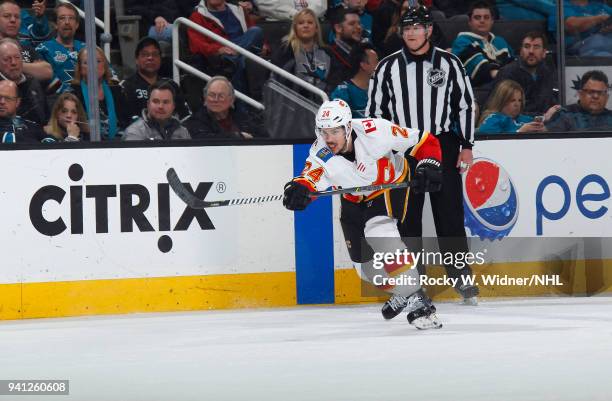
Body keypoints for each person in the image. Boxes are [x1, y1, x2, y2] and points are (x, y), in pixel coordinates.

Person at [283, 99, 444, 330]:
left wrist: (428, 164)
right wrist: (300, 190)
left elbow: (425, 141)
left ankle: (419, 302)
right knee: (367, 272)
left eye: (335, 131)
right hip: (352, 199)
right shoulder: (320, 151)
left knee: (381, 234)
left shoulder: (376, 132)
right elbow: (310, 179)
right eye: (324, 131)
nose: (329, 138)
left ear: (348, 127)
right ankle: (404, 290)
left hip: (386, 187)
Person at [367, 5, 479, 312]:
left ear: (428, 30)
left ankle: (461, 276)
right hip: (404, 148)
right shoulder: (387, 67)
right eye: (406, 28)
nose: (412, 33)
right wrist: (384, 151)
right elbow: (376, 113)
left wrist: (467, 145)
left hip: (441, 144)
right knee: (407, 220)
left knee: (450, 216)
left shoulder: (450, 62)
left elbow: (465, 105)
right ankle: (415, 281)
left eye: (417, 27)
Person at [187, 0, 264, 93]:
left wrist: (265, 46)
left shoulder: (239, 10)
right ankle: (243, 106)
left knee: (255, 31)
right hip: (222, 54)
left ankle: (234, 57)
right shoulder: (197, 16)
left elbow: (251, 31)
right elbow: (196, 45)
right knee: (243, 61)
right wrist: (218, 49)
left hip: (238, 51)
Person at [120, 37, 191, 122]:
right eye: (145, 54)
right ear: (136, 60)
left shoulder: (171, 85)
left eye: (155, 54)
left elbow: (185, 117)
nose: (150, 58)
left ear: (160, 59)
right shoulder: (126, 86)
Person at [68, 47, 130, 140]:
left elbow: (127, 120)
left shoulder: (116, 89)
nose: (93, 66)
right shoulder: (72, 92)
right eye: (87, 63)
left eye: (98, 61)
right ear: (80, 68)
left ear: (105, 65)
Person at [451, 1, 512, 87]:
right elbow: (478, 67)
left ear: (492, 21)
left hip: (504, 86)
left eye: (486, 17)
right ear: (470, 22)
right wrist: (499, 73)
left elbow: (513, 63)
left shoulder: (500, 41)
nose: (482, 21)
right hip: (475, 88)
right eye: (477, 17)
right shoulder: (462, 40)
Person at [495, 31, 558, 114]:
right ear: (521, 51)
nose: (531, 51)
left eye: (536, 47)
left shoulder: (547, 71)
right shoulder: (507, 73)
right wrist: (542, 117)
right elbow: (506, 111)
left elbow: (548, 102)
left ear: (544, 53)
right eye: (527, 46)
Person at [271, 8, 331, 94]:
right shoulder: (285, 49)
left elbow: (333, 80)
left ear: (317, 28)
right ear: (295, 28)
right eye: (301, 23)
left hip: (322, 101)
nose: (305, 26)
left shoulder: (327, 52)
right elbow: (280, 79)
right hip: (293, 99)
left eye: (310, 22)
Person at [184, 75, 266, 139]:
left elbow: (263, 136)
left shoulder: (245, 118)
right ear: (205, 99)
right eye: (211, 95)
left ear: (231, 100)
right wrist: (238, 137)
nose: (215, 100)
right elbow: (204, 140)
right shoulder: (195, 121)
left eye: (221, 96)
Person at [35, 2, 84, 93]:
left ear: (77, 25)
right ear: (55, 24)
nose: (67, 22)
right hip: (56, 102)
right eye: (62, 18)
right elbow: (44, 82)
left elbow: (110, 76)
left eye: (71, 18)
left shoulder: (88, 49)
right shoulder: (43, 49)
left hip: (88, 102)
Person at [477, 79, 559, 133]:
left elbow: (537, 124)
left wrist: (545, 119)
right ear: (502, 100)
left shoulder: (523, 118)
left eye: (519, 100)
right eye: (512, 100)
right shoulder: (493, 118)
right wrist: (519, 132)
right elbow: (487, 137)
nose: (517, 104)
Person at [0, 0, 52, 81]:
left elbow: (47, 71)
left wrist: (10, 65)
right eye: (7, 16)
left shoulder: (26, 48)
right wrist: (31, 68)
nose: (13, 20)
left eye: (17, 17)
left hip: (29, 92)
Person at [0, 38, 47, 126]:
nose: (14, 62)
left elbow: (45, 119)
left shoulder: (34, 83)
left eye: (17, 57)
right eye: (7, 59)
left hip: (35, 134)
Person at [123, 80, 191, 141]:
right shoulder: (134, 132)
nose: (160, 106)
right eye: (156, 101)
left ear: (173, 106)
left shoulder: (183, 132)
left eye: (166, 102)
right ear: (148, 104)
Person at [546, 70, 612, 132]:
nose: (596, 96)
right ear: (580, 94)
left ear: (607, 97)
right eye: (591, 92)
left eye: (600, 93)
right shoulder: (564, 115)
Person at [329, 42, 378, 118]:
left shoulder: (379, 89)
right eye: (376, 62)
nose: (380, 65)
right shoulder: (342, 92)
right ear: (363, 65)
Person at [327, 8, 363, 91]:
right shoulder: (326, 54)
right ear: (338, 28)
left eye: (359, 24)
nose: (358, 27)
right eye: (352, 24)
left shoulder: (364, 52)